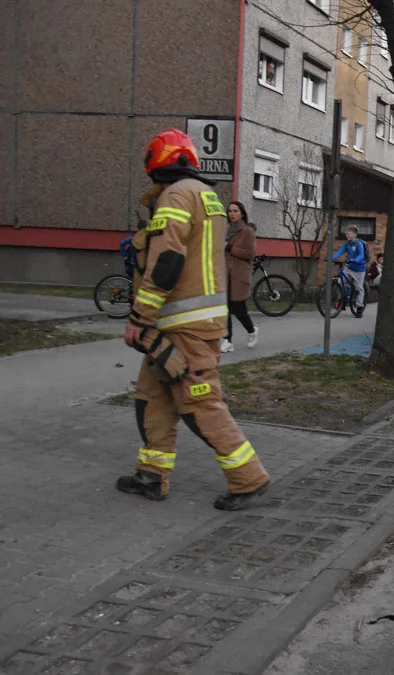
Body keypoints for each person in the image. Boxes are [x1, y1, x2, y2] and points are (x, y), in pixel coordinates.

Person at [116, 129, 271, 510]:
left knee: (199, 403)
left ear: (156, 164)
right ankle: (152, 475)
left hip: (183, 324)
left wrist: (139, 317)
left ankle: (249, 479)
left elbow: (167, 261)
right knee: (153, 398)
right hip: (183, 324)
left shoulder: (175, 196)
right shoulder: (206, 195)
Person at [221, 201, 258, 353]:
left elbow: (249, 254)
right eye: (230, 211)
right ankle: (227, 340)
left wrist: (229, 247)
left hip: (239, 275)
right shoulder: (225, 229)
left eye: (235, 211)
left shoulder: (247, 231)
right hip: (224, 274)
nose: (232, 214)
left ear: (241, 213)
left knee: (238, 308)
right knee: (225, 308)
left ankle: (251, 331)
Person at [332, 226, 368, 314]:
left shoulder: (358, 243)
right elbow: (340, 251)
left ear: (354, 235)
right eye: (346, 234)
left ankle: (359, 307)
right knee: (342, 283)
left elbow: (361, 255)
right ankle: (343, 300)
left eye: (349, 234)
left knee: (359, 288)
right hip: (349, 267)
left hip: (359, 269)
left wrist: (355, 260)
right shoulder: (347, 244)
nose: (347, 235)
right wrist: (331, 258)